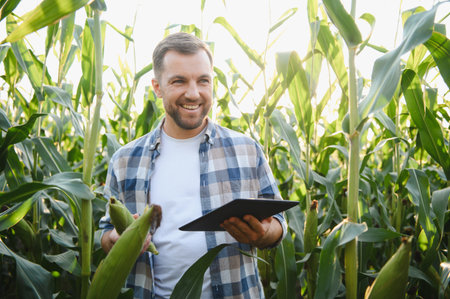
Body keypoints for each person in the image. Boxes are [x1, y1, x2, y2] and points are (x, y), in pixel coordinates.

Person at [100, 32, 287, 299]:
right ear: (157, 86)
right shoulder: (125, 160)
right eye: (179, 81)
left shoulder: (246, 150)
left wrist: (262, 234)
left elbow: (278, 222)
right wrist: (121, 242)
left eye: (203, 81)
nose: (193, 93)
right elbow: (107, 234)